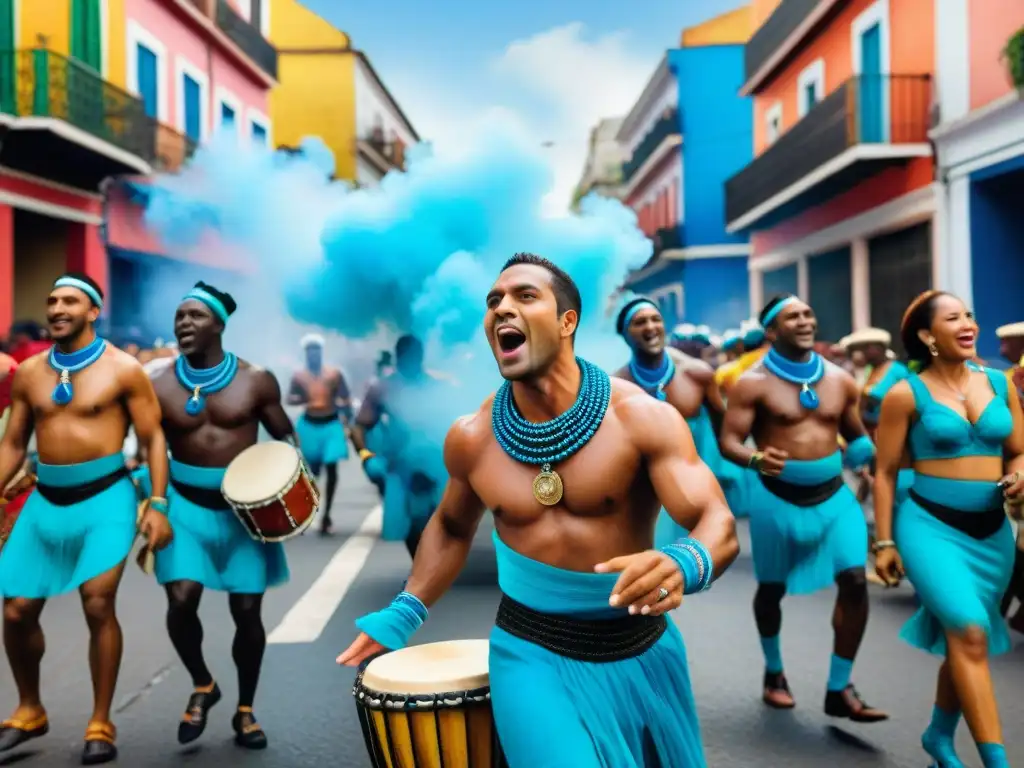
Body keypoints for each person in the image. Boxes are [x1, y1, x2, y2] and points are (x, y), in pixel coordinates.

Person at [338, 253, 738, 768]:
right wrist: (406, 608)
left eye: (525, 296)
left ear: (567, 321)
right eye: (494, 301)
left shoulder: (642, 418)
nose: (502, 308)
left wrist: (684, 562)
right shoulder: (472, 437)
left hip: (641, 649)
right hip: (530, 650)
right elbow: (452, 527)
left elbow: (716, 521)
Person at [0, 273, 172, 764]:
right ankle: (29, 709)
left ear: (93, 311)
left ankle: (101, 721)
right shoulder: (30, 372)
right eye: (52, 300)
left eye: (70, 301)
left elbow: (153, 437)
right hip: (45, 499)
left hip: (107, 498)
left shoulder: (124, 369)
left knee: (98, 603)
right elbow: (14, 443)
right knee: (15, 610)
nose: (57, 308)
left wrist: (158, 504)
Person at [141, 282, 296, 750]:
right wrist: (153, 502)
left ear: (219, 325)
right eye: (179, 316)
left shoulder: (256, 380)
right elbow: (150, 446)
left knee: (246, 612)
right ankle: (203, 683)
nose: (184, 323)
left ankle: (245, 709)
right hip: (183, 506)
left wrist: (284, 491)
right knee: (181, 599)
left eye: (196, 315)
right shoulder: (157, 383)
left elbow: (285, 438)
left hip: (243, 514)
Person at [719, 294, 886, 719]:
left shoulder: (841, 379)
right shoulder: (751, 383)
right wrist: (756, 459)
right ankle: (774, 672)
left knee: (855, 580)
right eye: (792, 316)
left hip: (834, 497)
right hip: (776, 499)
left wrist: (868, 457)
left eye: (808, 313)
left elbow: (854, 433)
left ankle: (839, 688)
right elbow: (730, 441)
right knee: (771, 590)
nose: (805, 321)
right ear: (772, 330)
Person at [874, 291, 1020, 768]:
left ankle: (938, 736)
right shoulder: (905, 394)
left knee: (965, 639)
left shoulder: (999, 383)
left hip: (994, 533)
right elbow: (885, 473)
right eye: (953, 317)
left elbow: (1019, 450)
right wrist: (885, 542)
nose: (968, 324)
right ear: (926, 335)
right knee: (971, 631)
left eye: (969, 315)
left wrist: (1020, 474)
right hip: (930, 527)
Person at [612, 296, 735, 541]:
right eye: (639, 322)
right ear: (625, 334)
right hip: (643, 498)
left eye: (655, 319)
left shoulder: (697, 374)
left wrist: (750, 461)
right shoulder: (616, 386)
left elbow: (725, 434)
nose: (650, 327)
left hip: (693, 493)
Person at [349, 335, 452, 558]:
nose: (411, 361)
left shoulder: (436, 386)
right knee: (410, 525)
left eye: (415, 356)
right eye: (406, 356)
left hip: (434, 461)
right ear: (398, 357)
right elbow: (359, 426)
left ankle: (430, 565)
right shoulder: (383, 388)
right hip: (400, 463)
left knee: (441, 521)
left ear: (421, 357)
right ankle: (420, 567)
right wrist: (366, 455)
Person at [286, 334, 351, 534]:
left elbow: (345, 397)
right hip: (309, 425)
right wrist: (303, 399)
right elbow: (289, 398)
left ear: (321, 353)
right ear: (306, 354)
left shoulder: (334, 374)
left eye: (316, 350)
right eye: (310, 351)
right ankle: (304, 512)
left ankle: (327, 515)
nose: (313, 354)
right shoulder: (299, 376)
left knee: (331, 466)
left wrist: (345, 413)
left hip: (331, 424)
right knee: (309, 471)